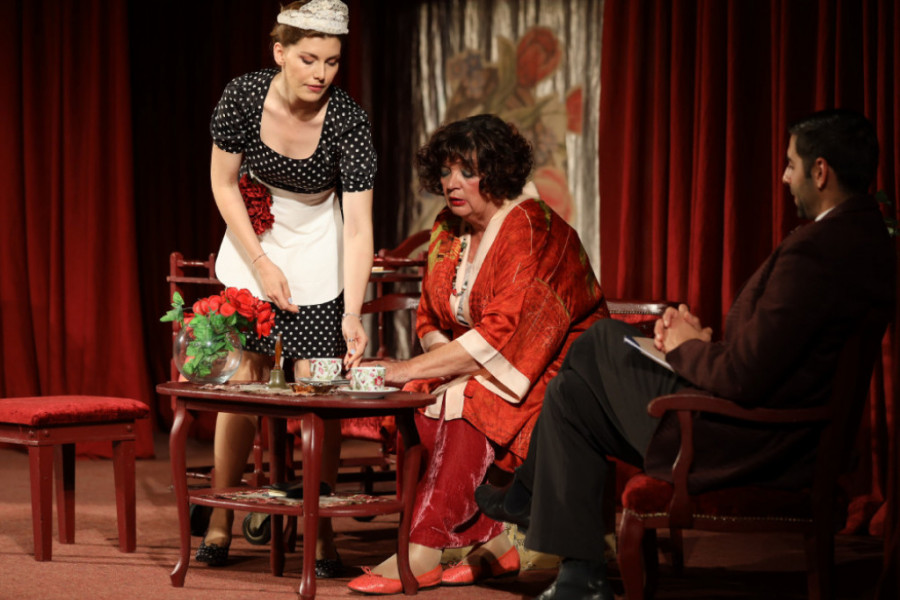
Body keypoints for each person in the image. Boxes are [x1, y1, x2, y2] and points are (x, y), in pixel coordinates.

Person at [475, 108, 896, 600]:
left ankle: (528, 492)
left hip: (747, 444)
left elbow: (743, 377)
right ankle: (579, 577)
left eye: (791, 165)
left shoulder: (817, 251)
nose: (784, 177)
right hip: (772, 431)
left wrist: (687, 347)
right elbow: (778, 358)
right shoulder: (862, 237)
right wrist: (700, 343)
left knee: (599, 338)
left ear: (820, 171)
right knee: (570, 396)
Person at [346, 114, 609, 594]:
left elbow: (507, 333)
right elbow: (429, 315)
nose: (452, 183)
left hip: (556, 368)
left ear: (498, 171)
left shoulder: (531, 226)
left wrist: (410, 368)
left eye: (467, 171)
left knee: (464, 397)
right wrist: (434, 368)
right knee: (423, 393)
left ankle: (426, 545)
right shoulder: (448, 228)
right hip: (490, 359)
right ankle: (479, 535)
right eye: (446, 171)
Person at [198, 0, 375, 578]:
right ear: (280, 52)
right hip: (255, 233)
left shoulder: (348, 121)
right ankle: (221, 518)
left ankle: (320, 531)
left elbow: (358, 228)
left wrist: (353, 312)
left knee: (317, 388)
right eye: (308, 59)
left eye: (332, 61)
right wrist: (259, 260)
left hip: (319, 239)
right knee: (244, 378)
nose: (321, 73)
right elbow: (223, 183)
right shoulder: (243, 96)